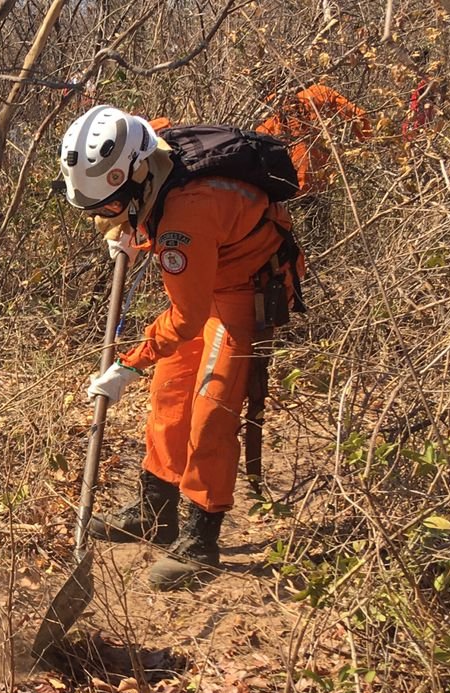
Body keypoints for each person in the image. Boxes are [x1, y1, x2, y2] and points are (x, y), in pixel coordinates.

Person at [59, 105, 293, 590]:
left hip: (244, 289)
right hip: (208, 271)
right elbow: (142, 204)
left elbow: (185, 319)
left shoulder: (185, 221)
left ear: (137, 178)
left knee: (212, 407)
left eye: (108, 207)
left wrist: (127, 365)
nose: (104, 216)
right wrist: (121, 230)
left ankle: (202, 539)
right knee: (169, 391)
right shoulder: (152, 143)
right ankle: (154, 509)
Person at [255, 83, 369, 196]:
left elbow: (257, 148)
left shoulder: (268, 111)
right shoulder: (317, 92)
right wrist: (368, 143)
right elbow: (357, 115)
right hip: (321, 181)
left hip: (288, 188)